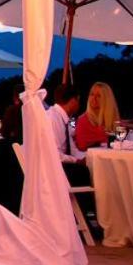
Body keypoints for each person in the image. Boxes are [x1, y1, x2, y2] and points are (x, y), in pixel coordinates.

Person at [49, 82, 100, 237]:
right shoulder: (53, 119)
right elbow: (54, 154)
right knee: (84, 173)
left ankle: (88, 218)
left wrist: (86, 157)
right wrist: (77, 161)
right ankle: (90, 218)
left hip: (52, 166)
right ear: (73, 101)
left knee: (87, 168)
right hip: (51, 171)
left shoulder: (59, 117)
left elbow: (72, 149)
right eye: (78, 100)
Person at [76, 81, 118, 151]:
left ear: (106, 99)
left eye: (99, 96)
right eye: (92, 94)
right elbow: (82, 146)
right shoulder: (83, 120)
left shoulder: (113, 120)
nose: (94, 98)